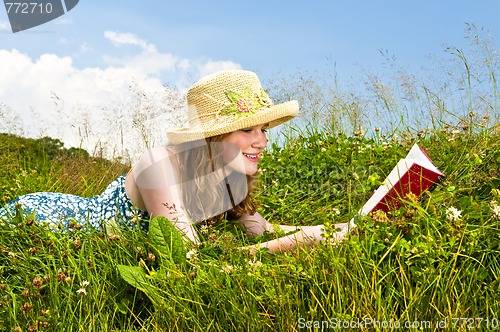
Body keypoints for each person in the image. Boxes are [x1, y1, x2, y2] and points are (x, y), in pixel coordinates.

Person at [0, 70, 348, 253]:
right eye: (246, 130)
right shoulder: (159, 165)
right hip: (48, 223)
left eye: (263, 128)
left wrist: (344, 229)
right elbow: (184, 256)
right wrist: (283, 248)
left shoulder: (229, 178)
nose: (261, 141)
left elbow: (262, 232)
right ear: (212, 137)